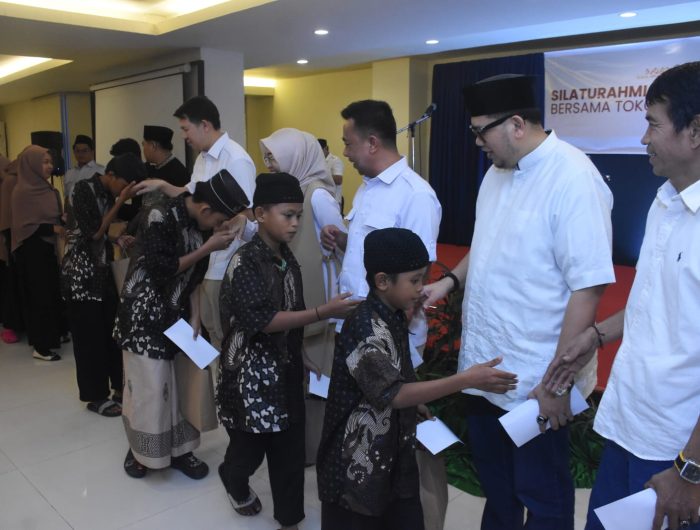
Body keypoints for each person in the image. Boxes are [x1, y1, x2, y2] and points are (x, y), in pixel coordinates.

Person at [423, 74, 615, 530]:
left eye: (480, 132)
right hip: (484, 369)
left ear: (516, 124)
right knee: (499, 489)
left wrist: (556, 386)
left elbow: (588, 288)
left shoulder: (574, 178)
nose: (476, 143)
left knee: (543, 497)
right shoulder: (497, 173)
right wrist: (448, 283)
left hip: (534, 382)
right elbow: (485, 245)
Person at [543, 61, 700, 530]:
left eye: (653, 124)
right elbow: (656, 304)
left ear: (695, 132)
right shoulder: (665, 201)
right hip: (629, 427)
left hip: (677, 451)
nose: (644, 139)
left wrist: (690, 469)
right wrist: (595, 336)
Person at [317, 227, 518, 530]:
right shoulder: (364, 328)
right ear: (383, 281)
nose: (422, 288)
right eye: (414, 280)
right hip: (356, 464)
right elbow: (394, 394)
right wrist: (465, 379)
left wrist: (417, 405)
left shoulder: (393, 313)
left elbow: (398, 374)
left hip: (393, 456)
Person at [320, 98, 445, 529]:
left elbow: (416, 279)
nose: (345, 153)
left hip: (388, 341)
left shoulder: (416, 196)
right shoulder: (367, 188)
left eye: (348, 143)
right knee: (357, 438)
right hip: (356, 333)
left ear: (372, 142)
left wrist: (399, 349)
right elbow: (376, 261)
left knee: (389, 444)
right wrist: (344, 241)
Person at [216, 172, 358, 530]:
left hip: (286, 370)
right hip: (249, 378)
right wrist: (324, 312)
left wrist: (301, 354)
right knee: (249, 450)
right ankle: (233, 478)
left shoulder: (285, 257)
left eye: (299, 215)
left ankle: (290, 519)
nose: (295, 224)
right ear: (260, 214)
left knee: (290, 453)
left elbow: (291, 314)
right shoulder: (245, 262)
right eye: (287, 215)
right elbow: (264, 321)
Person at [114, 170, 249, 480]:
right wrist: (208, 247)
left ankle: (181, 450)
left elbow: (195, 277)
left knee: (180, 385)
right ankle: (141, 451)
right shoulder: (159, 215)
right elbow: (162, 269)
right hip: (143, 316)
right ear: (205, 209)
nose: (219, 227)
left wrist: (196, 316)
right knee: (149, 388)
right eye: (219, 220)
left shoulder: (202, 225)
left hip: (177, 316)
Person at [134, 95, 256, 351]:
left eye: (186, 129)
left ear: (205, 125)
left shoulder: (236, 159)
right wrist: (162, 185)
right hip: (205, 260)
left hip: (225, 261)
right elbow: (192, 196)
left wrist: (227, 227)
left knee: (225, 336)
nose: (183, 136)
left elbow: (248, 213)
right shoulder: (202, 158)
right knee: (211, 333)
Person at [259, 128, 346, 464]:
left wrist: (332, 242)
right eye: (267, 158)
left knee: (318, 373)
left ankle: (317, 447)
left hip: (317, 293)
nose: (269, 164)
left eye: (274, 158)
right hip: (297, 290)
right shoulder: (292, 194)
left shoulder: (318, 195)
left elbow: (342, 242)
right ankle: (302, 444)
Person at [61, 153, 146, 417]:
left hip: (102, 272)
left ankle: (119, 387)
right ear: (111, 175)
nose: (125, 192)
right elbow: (93, 233)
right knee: (89, 339)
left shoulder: (106, 192)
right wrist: (119, 201)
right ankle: (96, 396)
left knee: (111, 333)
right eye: (124, 186)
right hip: (81, 276)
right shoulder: (82, 189)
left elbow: (103, 235)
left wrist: (117, 240)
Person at [11, 145, 67, 361]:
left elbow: (51, 216)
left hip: (48, 249)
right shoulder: (21, 192)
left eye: (50, 162)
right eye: (44, 162)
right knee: (39, 298)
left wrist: (61, 220)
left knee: (51, 294)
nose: (49, 166)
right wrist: (53, 228)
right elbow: (24, 227)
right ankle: (41, 347)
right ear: (32, 164)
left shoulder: (47, 189)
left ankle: (53, 335)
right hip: (32, 252)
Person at [63, 135, 104, 204]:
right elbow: (67, 198)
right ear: (74, 152)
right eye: (77, 151)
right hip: (72, 210)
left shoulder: (101, 171)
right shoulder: (69, 173)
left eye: (84, 151)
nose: (80, 154)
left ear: (92, 152)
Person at [318, 138, 344, 210]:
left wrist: (319, 176)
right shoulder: (318, 161)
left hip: (333, 201)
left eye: (320, 150)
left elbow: (339, 180)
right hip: (320, 200)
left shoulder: (335, 161)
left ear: (326, 148)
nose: (318, 153)